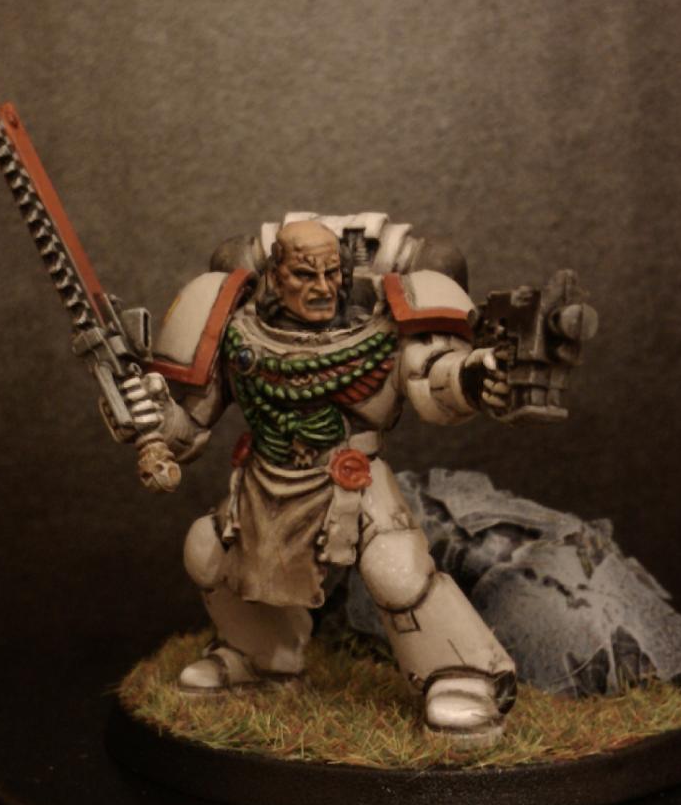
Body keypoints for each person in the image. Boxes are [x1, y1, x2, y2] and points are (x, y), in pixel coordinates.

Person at [122, 215, 519, 747]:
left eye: (333, 273)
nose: (324, 288)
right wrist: (149, 415)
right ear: (274, 276)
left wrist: (476, 376)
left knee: (396, 569)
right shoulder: (238, 334)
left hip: (352, 475)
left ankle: (463, 673)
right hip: (266, 477)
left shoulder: (383, 331)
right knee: (207, 549)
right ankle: (261, 657)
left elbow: (436, 382)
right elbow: (189, 428)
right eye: (305, 275)